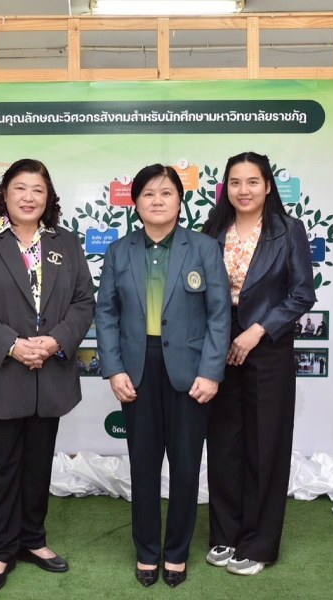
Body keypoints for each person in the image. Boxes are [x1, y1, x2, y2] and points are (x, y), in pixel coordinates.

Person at [0, 158, 94, 592]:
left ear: (48, 197)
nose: (29, 197)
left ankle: (32, 540)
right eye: (20, 188)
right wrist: (12, 344)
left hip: (48, 373)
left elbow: (83, 301)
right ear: (4, 194)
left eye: (38, 190)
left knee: (37, 465)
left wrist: (54, 341)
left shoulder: (65, 242)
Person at [95, 164, 231, 588]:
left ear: (180, 201)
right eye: (148, 193)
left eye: (167, 192)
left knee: (186, 467)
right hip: (137, 368)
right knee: (143, 466)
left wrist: (211, 372)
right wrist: (114, 368)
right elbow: (106, 314)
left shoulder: (204, 248)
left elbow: (219, 315)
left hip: (190, 371)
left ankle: (176, 552)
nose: (157, 200)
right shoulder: (119, 251)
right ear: (135, 202)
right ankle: (147, 551)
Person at [202, 151, 316, 576]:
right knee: (224, 443)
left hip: (267, 348)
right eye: (235, 182)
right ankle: (226, 534)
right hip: (220, 345)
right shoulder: (213, 230)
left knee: (266, 445)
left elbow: (302, 294)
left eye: (253, 181)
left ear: (268, 186)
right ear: (225, 188)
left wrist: (258, 331)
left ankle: (259, 543)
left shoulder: (288, 230)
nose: (243, 190)